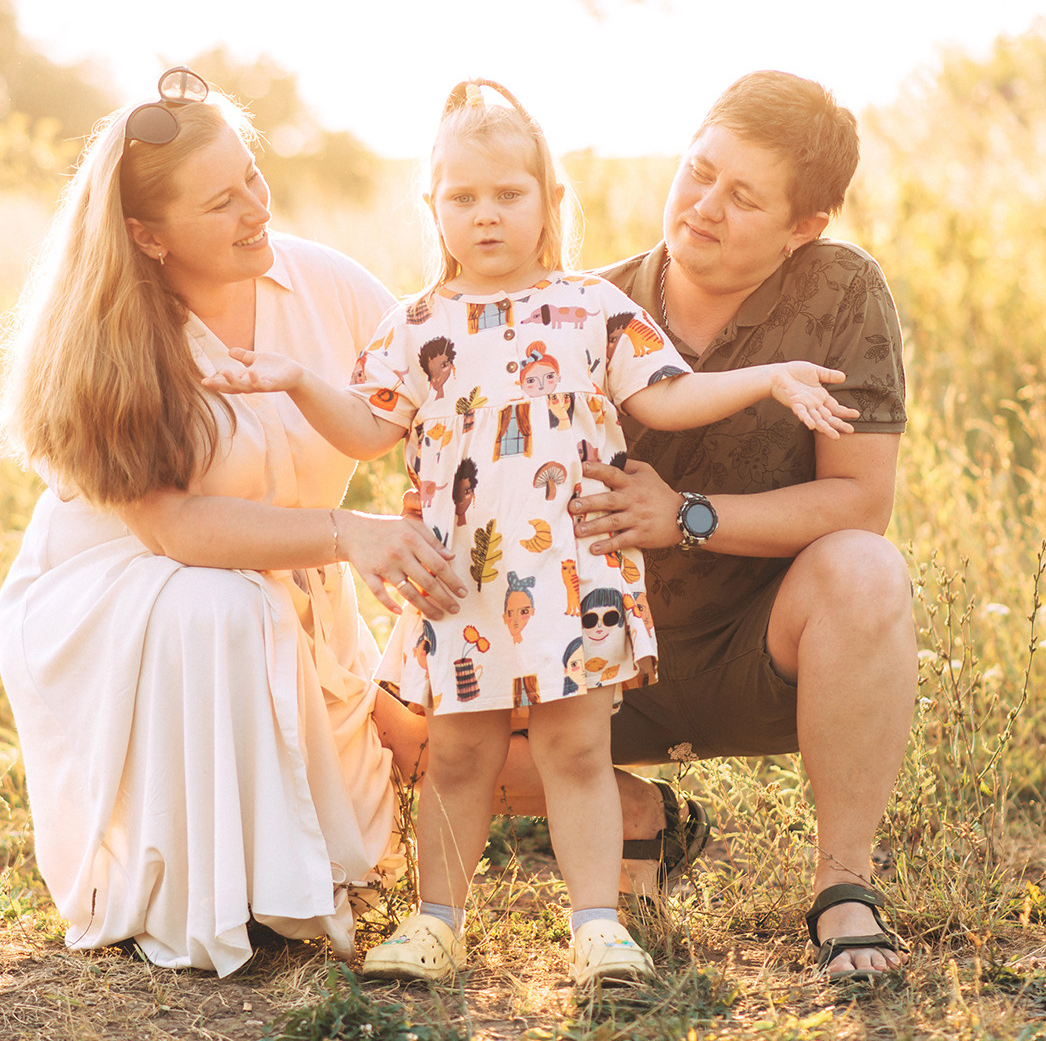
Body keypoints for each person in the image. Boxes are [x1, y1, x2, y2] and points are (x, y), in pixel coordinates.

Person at [202, 79, 859, 988]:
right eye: (461, 199)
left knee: (576, 750)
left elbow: (668, 395)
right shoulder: (417, 325)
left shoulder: (595, 309)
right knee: (460, 753)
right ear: (432, 210)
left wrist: (767, 376)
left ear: (550, 200)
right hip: (459, 583)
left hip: (571, 580)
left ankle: (597, 927)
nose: (485, 216)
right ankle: (437, 922)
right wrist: (295, 381)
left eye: (508, 195)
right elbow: (365, 427)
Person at [0, 68, 473, 977]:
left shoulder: (327, 286)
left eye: (252, 176)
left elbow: (456, 378)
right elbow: (174, 532)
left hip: (289, 586)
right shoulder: (112, 334)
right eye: (222, 202)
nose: (257, 207)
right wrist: (347, 534)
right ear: (148, 234)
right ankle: (206, 896)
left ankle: (625, 811)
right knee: (223, 610)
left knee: (417, 747)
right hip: (121, 596)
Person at [570, 71, 916, 982]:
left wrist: (681, 516)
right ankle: (633, 815)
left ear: (806, 226)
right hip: (598, 669)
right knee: (400, 722)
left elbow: (858, 503)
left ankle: (844, 889)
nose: (703, 207)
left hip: (757, 654)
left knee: (866, 569)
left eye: (743, 196)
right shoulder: (584, 308)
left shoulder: (841, 293)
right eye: (698, 172)